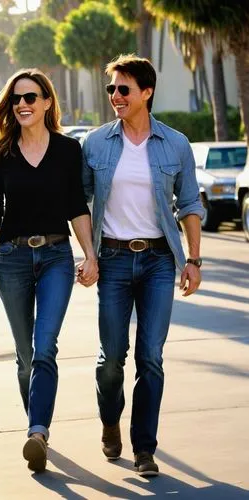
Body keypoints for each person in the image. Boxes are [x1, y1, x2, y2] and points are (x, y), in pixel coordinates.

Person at [81, 54, 204, 477]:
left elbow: (189, 204)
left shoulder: (176, 144)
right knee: (112, 357)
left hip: (156, 261)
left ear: (146, 92)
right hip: (112, 259)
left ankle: (144, 448)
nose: (115, 96)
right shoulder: (95, 143)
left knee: (150, 356)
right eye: (112, 89)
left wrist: (193, 259)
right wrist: (88, 254)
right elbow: (78, 204)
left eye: (123, 89)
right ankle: (110, 419)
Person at [0, 68, 98, 473]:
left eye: (31, 97)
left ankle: (37, 432)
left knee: (45, 348)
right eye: (16, 99)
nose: (23, 104)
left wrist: (90, 255)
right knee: (25, 356)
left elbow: (76, 205)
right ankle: (36, 425)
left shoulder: (68, 150)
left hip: (57, 257)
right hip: (12, 260)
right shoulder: (0, 153)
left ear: (46, 102)